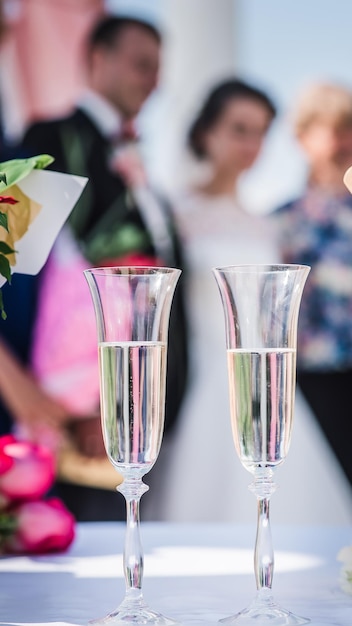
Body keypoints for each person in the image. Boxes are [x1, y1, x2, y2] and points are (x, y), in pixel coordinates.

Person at [13, 14, 188, 521]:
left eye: (157, 69)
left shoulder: (137, 155)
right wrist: (88, 403)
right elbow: (30, 276)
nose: (152, 81)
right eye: (141, 65)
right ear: (98, 59)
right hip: (84, 410)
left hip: (145, 401)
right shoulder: (50, 138)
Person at [152, 78, 280, 522]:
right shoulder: (174, 214)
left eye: (261, 132)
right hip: (197, 377)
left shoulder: (265, 224)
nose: (251, 143)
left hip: (264, 379)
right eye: (239, 129)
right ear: (208, 132)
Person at [272, 82, 352, 490]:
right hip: (309, 379)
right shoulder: (281, 220)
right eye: (334, 129)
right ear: (302, 138)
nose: (344, 141)